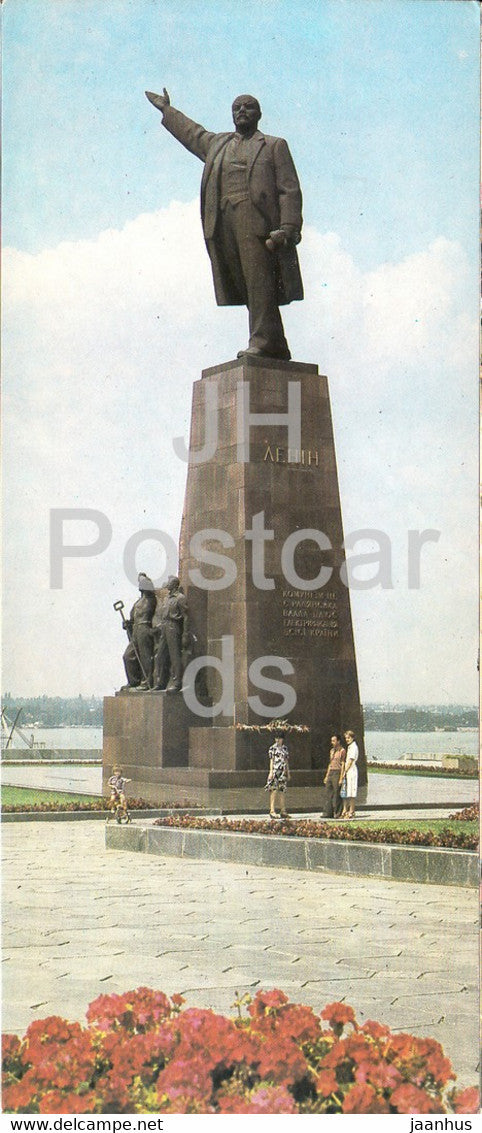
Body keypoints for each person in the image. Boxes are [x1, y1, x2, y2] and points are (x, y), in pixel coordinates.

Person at [145, 89, 303, 361]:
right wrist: (167, 110)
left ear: (259, 114)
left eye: (248, 107)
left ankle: (264, 341)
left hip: (258, 224)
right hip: (225, 224)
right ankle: (273, 342)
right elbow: (192, 134)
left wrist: (289, 227)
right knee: (248, 285)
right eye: (236, 107)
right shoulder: (218, 144)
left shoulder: (274, 145)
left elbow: (289, 189)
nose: (241, 111)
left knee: (260, 283)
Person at [152, 576, 189, 692]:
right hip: (164, 626)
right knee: (160, 655)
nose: (167, 584)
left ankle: (177, 683)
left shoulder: (180, 598)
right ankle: (161, 683)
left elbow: (186, 617)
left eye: (170, 583)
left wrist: (185, 633)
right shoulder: (167, 598)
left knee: (175, 655)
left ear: (174, 584)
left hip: (174, 626)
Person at [121, 573, 157, 690]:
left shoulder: (151, 599)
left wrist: (144, 578)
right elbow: (132, 620)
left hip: (145, 628)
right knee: (128, 656)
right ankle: (134, 682)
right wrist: (127, 624)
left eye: (143, 582)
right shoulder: (137, 603)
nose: (140, 584)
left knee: (145, 656)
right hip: (136, 630)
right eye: (139, 582)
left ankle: (146, 683)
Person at [265, 731, 291, 819]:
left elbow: (286, 761)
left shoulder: (285, 748)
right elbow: (271, 760)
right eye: (276, 738)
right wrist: (271, 772)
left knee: (282, 790)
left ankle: (283, 810)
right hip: (275, 771)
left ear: (282, 739)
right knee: (274, 790)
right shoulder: (272, 748)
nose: (277, 740)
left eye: (279, 738)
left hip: (282, 771)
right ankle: (272, 810)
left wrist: (288, 772)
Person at [323, 733, 346, 818]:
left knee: (337, 793)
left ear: (338, 741)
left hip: (337, 772)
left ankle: (337, 813)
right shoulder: (332, 751)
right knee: (328, 793)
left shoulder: (342, 751)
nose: (332, 742)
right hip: (331, 772)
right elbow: (330, 763)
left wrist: (341, 778)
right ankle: (327, 813)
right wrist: (327, 775)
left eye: (334, 741)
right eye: (331, 741)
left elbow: (343, 764)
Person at [342, 730, 359, 819]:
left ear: (352, 738)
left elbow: (350, 761)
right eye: (346, 738)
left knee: (352, 791)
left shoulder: (354, 747)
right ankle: (347, 810)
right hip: (348, 771)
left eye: (348, 738)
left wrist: (345, 771)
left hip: (351, 770)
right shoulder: (350, 747)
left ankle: (352, 811)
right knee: (348, 791)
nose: (347, 740)